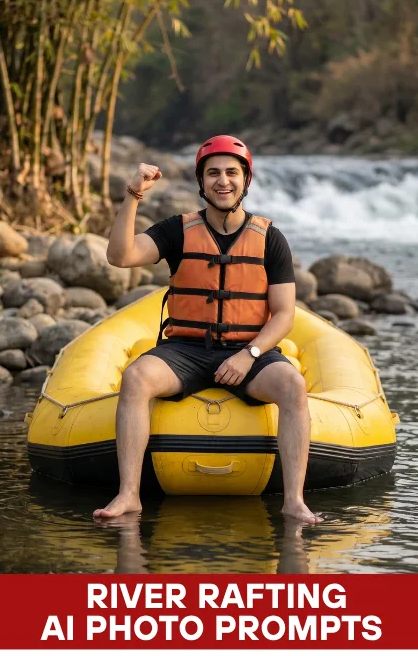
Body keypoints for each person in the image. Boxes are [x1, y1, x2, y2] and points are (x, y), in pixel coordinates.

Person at [95, 135, 320, 524]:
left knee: (293, 385)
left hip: (249, 349)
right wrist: (133, 194)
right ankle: (129, 495)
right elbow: (120, 256)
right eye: (213, 173)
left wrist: (248, 354)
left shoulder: (270, 238)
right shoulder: (177, 231)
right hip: (184, 349)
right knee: (136, 377)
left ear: (246, 180)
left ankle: (294, 501)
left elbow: (283, 314)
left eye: (232, 172)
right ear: (201, 181)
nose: (223, 181)